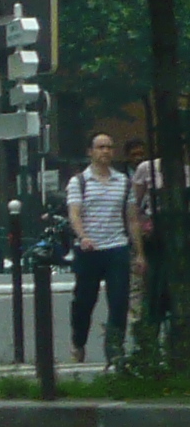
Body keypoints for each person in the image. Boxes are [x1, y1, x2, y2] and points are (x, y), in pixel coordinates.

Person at [68, 131, 137, 364]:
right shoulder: (79, 181)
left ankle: (114, 349)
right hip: (89, 249)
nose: (105, 151)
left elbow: (132, 218)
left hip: (116, 246)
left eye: (109, 147)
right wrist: (83, 236)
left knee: (119, 301)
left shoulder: (124, 183)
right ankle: (79, 341)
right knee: (84, 301)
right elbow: (74, 213)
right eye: (100, 147)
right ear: (90, 152)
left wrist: (139, 251)